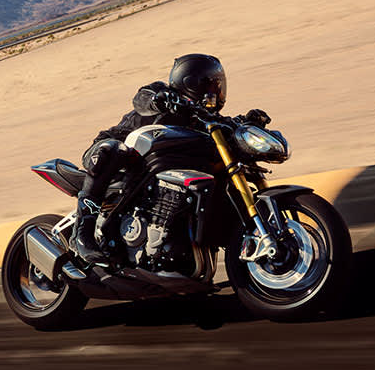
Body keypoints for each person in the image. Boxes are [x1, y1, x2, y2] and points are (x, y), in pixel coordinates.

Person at [73, 53, 268, 265]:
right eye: (209, 85)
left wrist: (246, 121)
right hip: (109, 157)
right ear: (191, 83)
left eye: (218, 86)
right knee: (111, 149)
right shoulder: (163, 97)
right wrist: (160, 99)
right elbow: (143, 98)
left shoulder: (205, 119)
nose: (215, 91)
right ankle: (82, 232)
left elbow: (226, 124)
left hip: (144, 175)